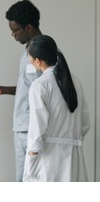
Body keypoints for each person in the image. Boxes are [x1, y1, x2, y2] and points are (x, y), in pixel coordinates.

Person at [23, 35, 90, 181]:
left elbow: (37, 130)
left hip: (50, 160)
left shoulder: (40, 85)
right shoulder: (75, 81)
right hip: (75, 158)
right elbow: (85, 123)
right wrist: (70, 141)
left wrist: (31, 166)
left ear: (37, 61)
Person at [0, 0, 42, 182]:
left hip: (33, 129)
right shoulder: (27, 52)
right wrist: (3, 90)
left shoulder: (44, 53)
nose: (12, 35)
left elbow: (47, 92)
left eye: (15, 30)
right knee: (21, 181)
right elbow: (28, 88)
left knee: (31, 182)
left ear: (28, 27)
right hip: (21, 128)